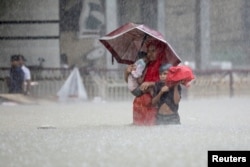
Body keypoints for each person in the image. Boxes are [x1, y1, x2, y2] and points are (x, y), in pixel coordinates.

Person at [124, 40, 168, 125]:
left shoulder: (164, 66)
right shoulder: (144, 65)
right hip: (139, 105)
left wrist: (151, 83)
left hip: (153, 105)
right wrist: (127, 72)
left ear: (160, 51)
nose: (149, 54)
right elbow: (132, 83)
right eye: (148, 51)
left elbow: (168, 84)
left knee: (150, 129)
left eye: (153, 51)